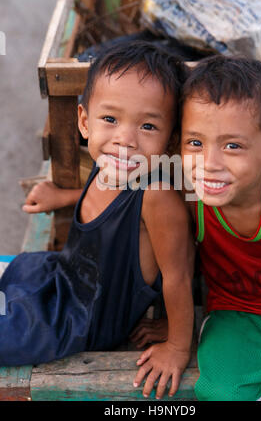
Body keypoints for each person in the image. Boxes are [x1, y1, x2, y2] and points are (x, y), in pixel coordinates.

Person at [0, 41, 195, 400]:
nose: (125, 139)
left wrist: (177, 344)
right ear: (85, 122)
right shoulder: (109, 167)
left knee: (7, 332)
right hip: (64, 276)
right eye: (110, 119)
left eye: (148, 126)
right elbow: (105, 201)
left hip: (84, 320)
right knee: (20, 273)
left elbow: (179, 274)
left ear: (170, 141)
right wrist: (62, 197)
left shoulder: (157, 197)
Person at [180, 55, 261, 401]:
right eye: (195, 143)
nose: (210, 164)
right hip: (233, 316)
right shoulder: (189, 197)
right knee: (220, 392)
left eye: (233, 146)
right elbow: (129, 200)